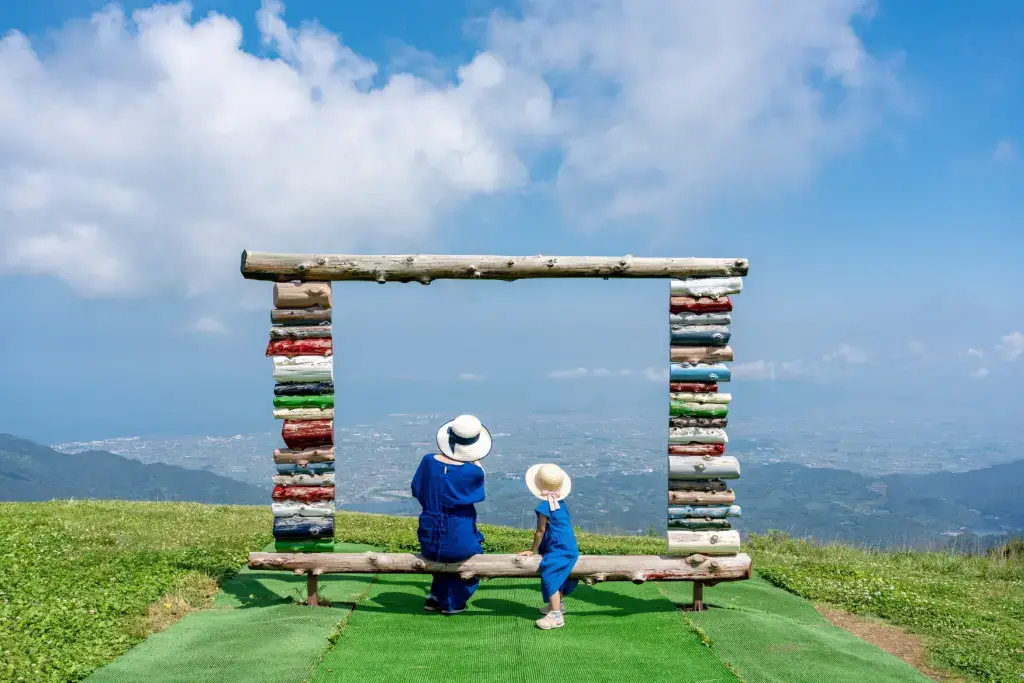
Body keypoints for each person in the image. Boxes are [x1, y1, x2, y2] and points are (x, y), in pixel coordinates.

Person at [410, 414, 491, 615]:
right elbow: (477, 493)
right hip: (459, 537)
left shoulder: (428, 461)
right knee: (470, 556)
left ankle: (435, 597)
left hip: (428, 536)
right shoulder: (473, 472)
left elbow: (417, 489)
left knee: (441, 553)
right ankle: (453, 603)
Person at [517, 463, 579, 630]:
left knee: (550, 572)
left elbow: (540, 531)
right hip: (570, 545)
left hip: (559, 547)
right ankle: (556, 604)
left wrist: (533, 550)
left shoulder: (544, 506)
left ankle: (557, 616)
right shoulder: (561, 501)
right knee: (561, 574)